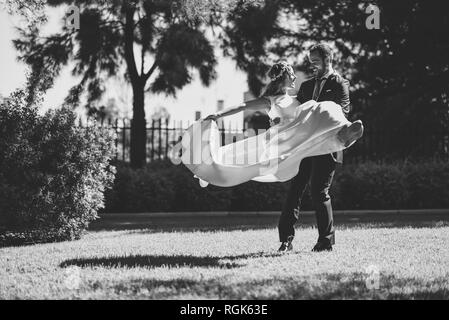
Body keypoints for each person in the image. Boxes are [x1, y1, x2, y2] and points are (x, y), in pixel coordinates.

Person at [173, 59, 362, 222]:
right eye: (292, 75)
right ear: (285, 77)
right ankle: (211, 170)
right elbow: (243, 106)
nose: (295, 78)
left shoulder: (297, 99)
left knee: (321, 107)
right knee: (240, 156)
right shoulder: (270, 100)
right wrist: (218, 114)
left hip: (298, 138)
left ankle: (343, 134)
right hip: (281, 142)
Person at [277, 43, 354, 253]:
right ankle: (285, 240)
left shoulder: (340, 84)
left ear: (328, 59)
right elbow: (296, 115)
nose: (313, 66)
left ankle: (325, 242)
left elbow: (341, 114)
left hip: (326, 147)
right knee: (294, 191)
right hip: (303, 148)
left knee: (319, 192)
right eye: (311, 62)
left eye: (316, 61)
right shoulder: (306, 87)